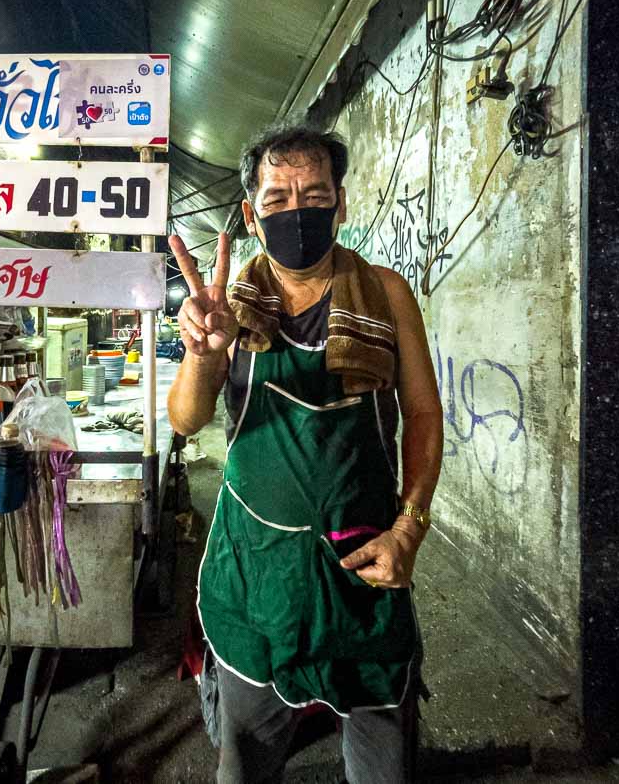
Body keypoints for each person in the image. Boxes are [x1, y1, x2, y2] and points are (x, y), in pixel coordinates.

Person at [167, 123, 444, 783]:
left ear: (341, 204)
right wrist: (202, 353)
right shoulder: (228, 308)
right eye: (279, 198)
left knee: (385, 766)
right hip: (257, 574)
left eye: (315, 195)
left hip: (364, 570)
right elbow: (187, 417)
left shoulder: (387, 295)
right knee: (248, 763)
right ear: (250, 212)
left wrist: (411, 525)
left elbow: (424, 412)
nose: (298, 211)